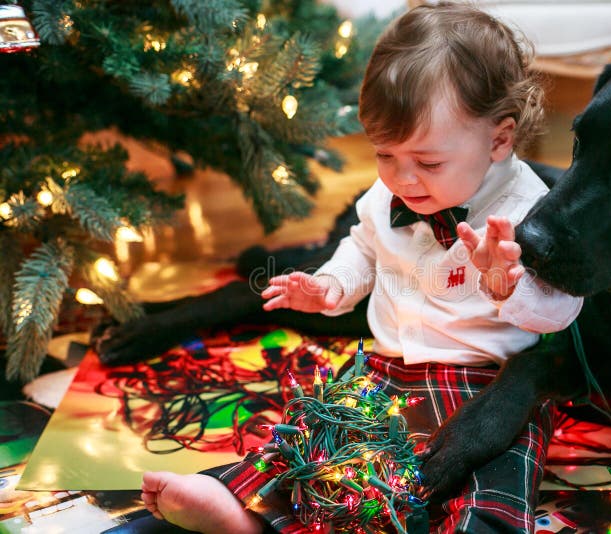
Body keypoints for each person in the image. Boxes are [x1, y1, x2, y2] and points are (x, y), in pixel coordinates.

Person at [140, 3, 583, 532]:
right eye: (384, 155)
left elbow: (560, 311)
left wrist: (505, 285)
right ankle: (246, 506)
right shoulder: (388, 193)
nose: (403, 179)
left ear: (499, 139)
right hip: (385, 370)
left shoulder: (528, 210)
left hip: (484, 387)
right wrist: (331, 285)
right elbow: (362, 248)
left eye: (428, 162)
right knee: (318, 437)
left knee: (496, 472)